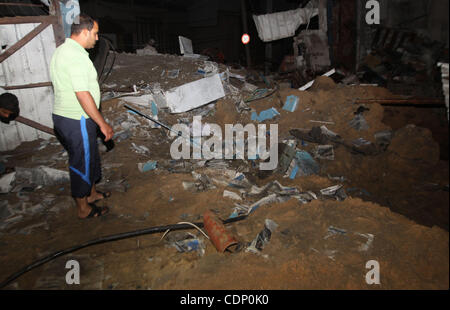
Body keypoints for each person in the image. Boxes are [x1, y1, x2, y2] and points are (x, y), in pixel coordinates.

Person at [50, 14, 114, 219]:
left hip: (72, 118)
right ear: (85, 31)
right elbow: (82, 94)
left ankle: (92, 194)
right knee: (81, 163)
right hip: (76, 118)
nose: (96, 39)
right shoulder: (75, 57)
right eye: (95, 34)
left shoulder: (64, 50)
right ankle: (83, 208)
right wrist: (102, 123)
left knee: (89, 156)